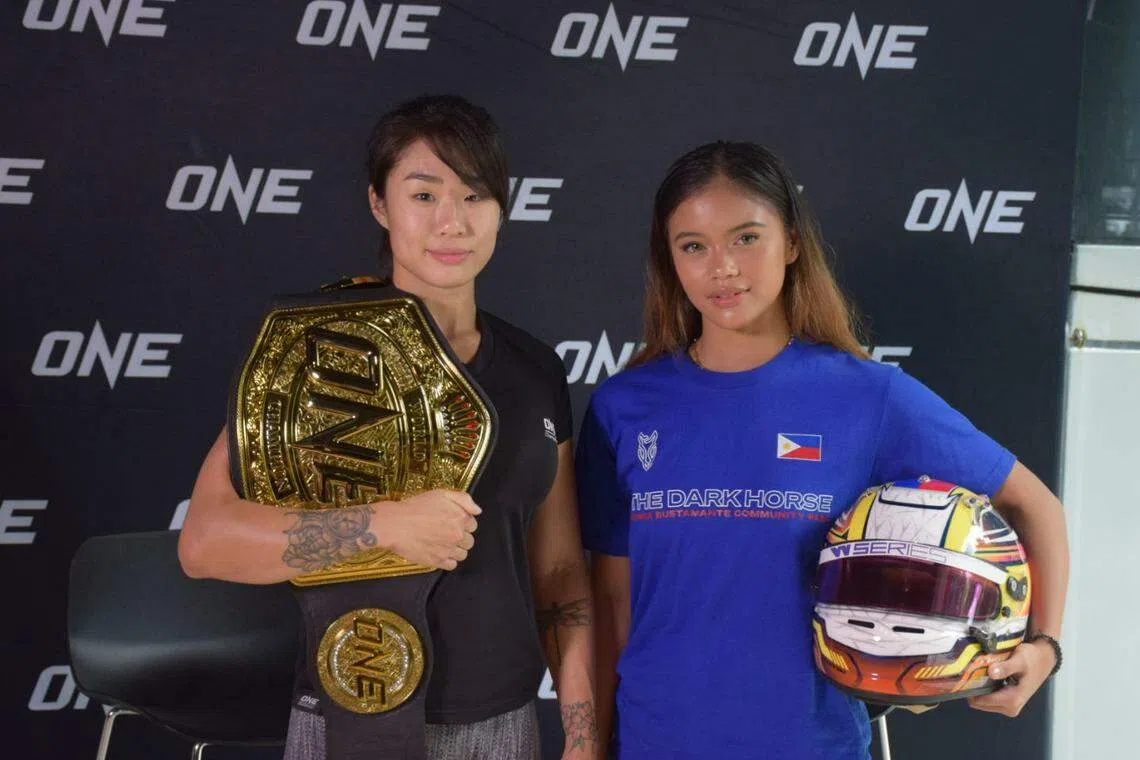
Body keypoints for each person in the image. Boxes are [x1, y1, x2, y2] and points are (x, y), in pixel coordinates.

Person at [576, 141, 1068, 760]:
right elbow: (612, 603)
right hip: (653, 745)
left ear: (792, 243)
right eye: (693, 246)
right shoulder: (625, 406)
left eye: (746, 238)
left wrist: (1044, 646)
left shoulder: (868, 396)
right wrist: (586, 743)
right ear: (669, 260)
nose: (721, 267)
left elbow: (1035, 506)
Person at [178, 94, 598, 760]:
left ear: (502, 208)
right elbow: (205, 543)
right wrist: (380, 527)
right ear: (380, 204)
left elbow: (560, 572)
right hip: (353, 714)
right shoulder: (318, 347)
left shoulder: (535, 368)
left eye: (475, 196)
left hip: (503, 726)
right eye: (424, 195)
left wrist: (581, 732)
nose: (452, 223)